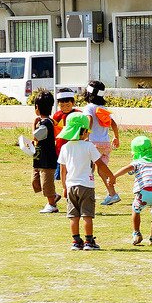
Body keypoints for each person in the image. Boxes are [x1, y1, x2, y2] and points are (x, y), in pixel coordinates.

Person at [57, 112, 110, 250]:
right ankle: (88, 241)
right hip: (86, 185)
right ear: (84, 131)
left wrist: (64, 187)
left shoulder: (65, 147)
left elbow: (63, 171)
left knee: (73, 216)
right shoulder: (89, 146)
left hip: (71, 186)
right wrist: (111, 176)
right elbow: (100, 164)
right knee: (87, 215)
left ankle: (76, 241)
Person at [113, 135, 152, 247]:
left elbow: (127, 168)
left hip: (144, 191)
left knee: (136, 209)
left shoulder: (138, 162)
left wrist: (113, 176)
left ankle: (136, 233)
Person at [83, 81, 121, 205]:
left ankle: (86, 194)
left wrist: (86, 135)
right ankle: (112, 194)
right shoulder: (103, 108)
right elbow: (113, 124)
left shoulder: (89, 107)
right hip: (105, 144)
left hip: (93, 143)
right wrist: (116, 137)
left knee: (88, 170)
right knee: (101, 170)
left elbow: (89, 120)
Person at [30, 90, 60, 214]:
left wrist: (33, 124)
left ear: (37, 108)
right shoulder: (43, 122)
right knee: (36, 181)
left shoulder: (46, 123)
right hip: (39, 157)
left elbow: (36, 136)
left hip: (47, 159)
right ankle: (54, 195)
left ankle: (52, 204)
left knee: (46, 182)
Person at [52, 88, 77, 183]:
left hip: (74, 148)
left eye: (68, 105)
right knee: (60, 173)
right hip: (59, 148)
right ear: (58, 104)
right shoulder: (57, 115)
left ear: (73, 103)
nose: (65, 108)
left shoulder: (77, 114)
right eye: (62, 105)